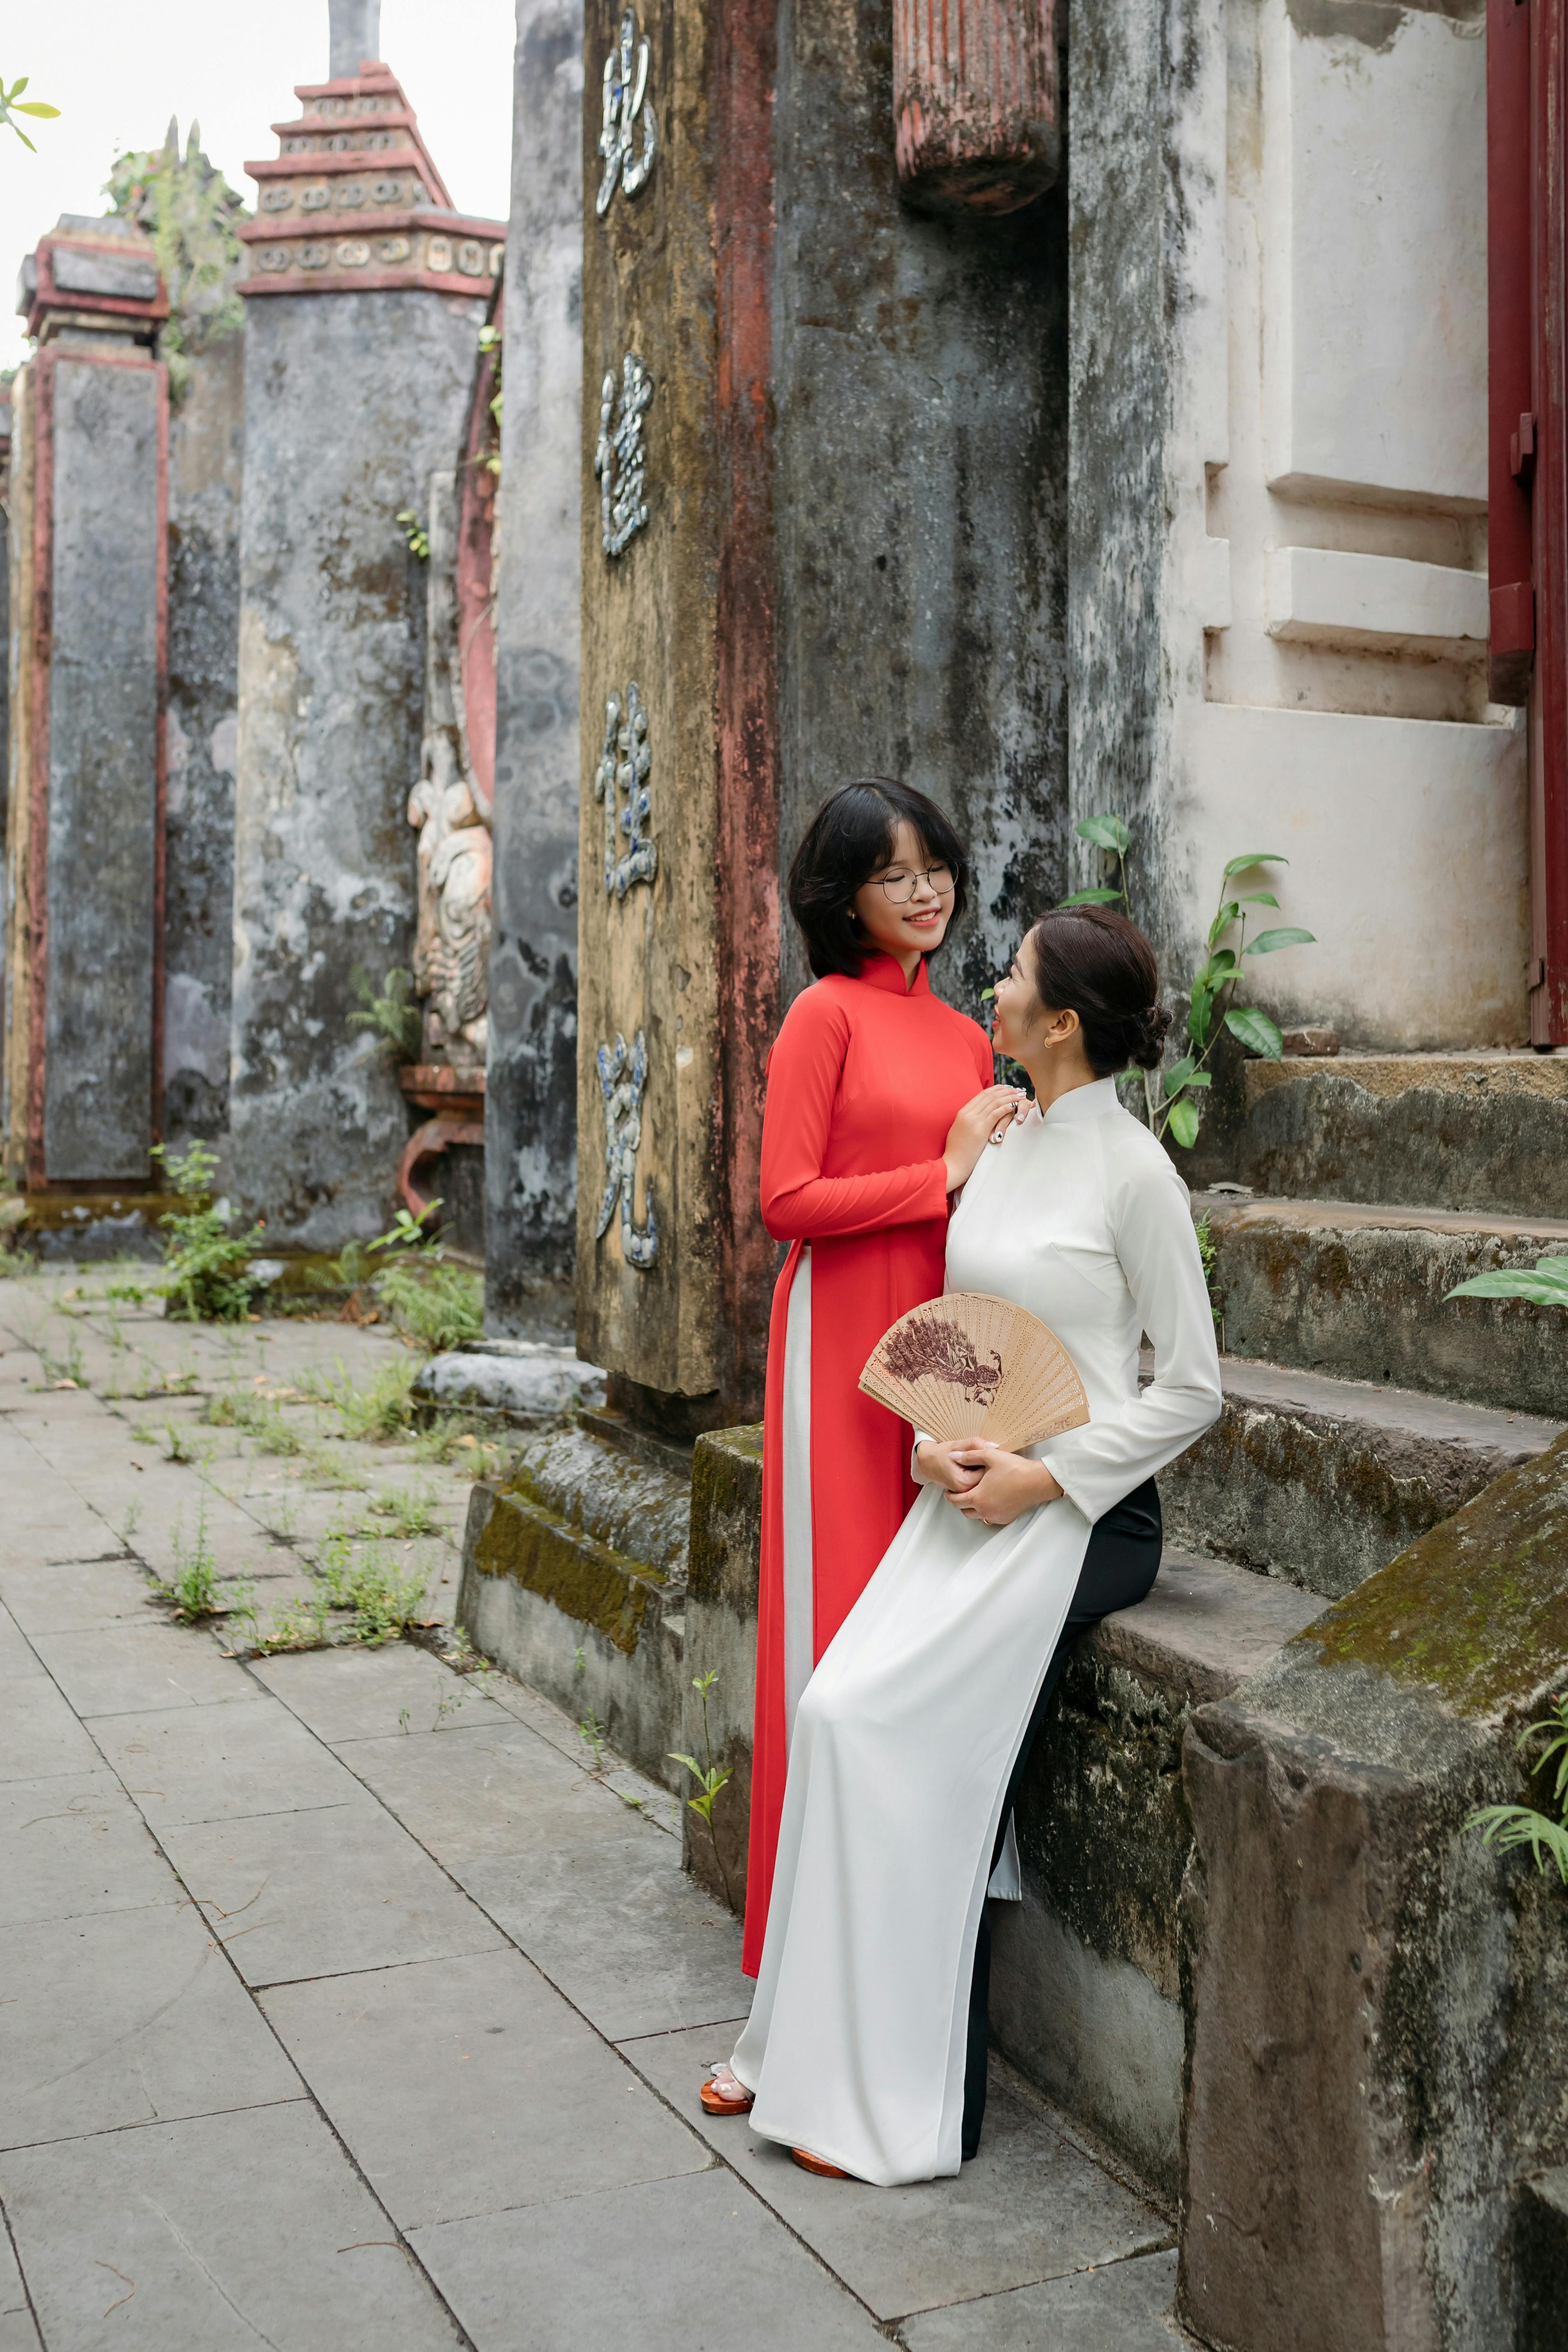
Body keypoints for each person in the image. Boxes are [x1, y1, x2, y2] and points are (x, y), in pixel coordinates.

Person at [706, 903, 1222, 2181]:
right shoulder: (1000, 1134)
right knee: (833, 1712)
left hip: (1084, 1516)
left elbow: (1194, 1387)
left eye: (1013, 978)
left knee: (893, 1736)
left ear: (1058, 1024)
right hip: (970, 1488)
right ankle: (806, 2056)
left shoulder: (1131, 1170)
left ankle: (907, 2096)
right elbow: (963, 1330)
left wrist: (1048, 1474)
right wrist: (938, 1445)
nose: (987, 986)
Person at [728, 779, 1022, 1992]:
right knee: (838, 1618)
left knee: (929, 1611)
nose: (925, 890)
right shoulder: (822, 1017)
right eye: (893, 873)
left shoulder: (965, 1035)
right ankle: (798, 1945)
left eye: (936, 866)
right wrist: (936, 1174)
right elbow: (784, 1202)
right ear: (841, 898)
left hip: (944, 1336)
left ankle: (905, 1920)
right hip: (841, 1334)